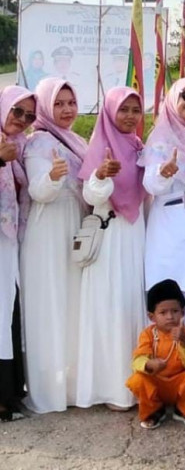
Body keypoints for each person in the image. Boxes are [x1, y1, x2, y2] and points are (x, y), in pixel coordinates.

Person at [75, 87, 149, 410]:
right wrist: (101, 175)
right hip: (110, 235)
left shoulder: (138, 146)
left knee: (133, 302)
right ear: (109, 112)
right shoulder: (100, 146)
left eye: (135, 109)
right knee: (111, 306)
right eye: (124, 109)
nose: (130, 116)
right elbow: (91, 198)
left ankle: (136, 383)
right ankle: (111, 387)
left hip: (136, 234)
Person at [21, 78, 88, 413]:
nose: (66, 110)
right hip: (47, 230)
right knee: (48, 306)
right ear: (47, 106)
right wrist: (54, 176)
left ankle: (73, 386)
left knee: (73, 304)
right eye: (58, 103)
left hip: (74, 224)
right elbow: (38, 192)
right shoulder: (37, 142)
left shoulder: (77, 139)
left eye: (70, 103)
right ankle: (47, 391)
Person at [141, 78, 185, 354]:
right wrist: (164, 172)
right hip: (170, 224)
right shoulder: (161, 137)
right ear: (173, 98)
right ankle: (165, 369)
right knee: (172, 294)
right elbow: (150, 184)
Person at [0, 86, 36, 422]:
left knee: (8, 314)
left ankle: (10, 395)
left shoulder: (20, 146)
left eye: (29, 115)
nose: (22, 120)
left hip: (9, 240)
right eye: (16, 111)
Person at [126, 279, 185, 429]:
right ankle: (154, 410)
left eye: (175, 311)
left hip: (179, 385)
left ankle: (183, 409)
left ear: (183, 312)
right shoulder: (148, 334)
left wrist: (184, 341)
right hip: (157, 384)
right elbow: (137, 360)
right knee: (137, 379)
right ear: (152, 317)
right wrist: (149, 364)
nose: (170, 317)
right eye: (163, 312)